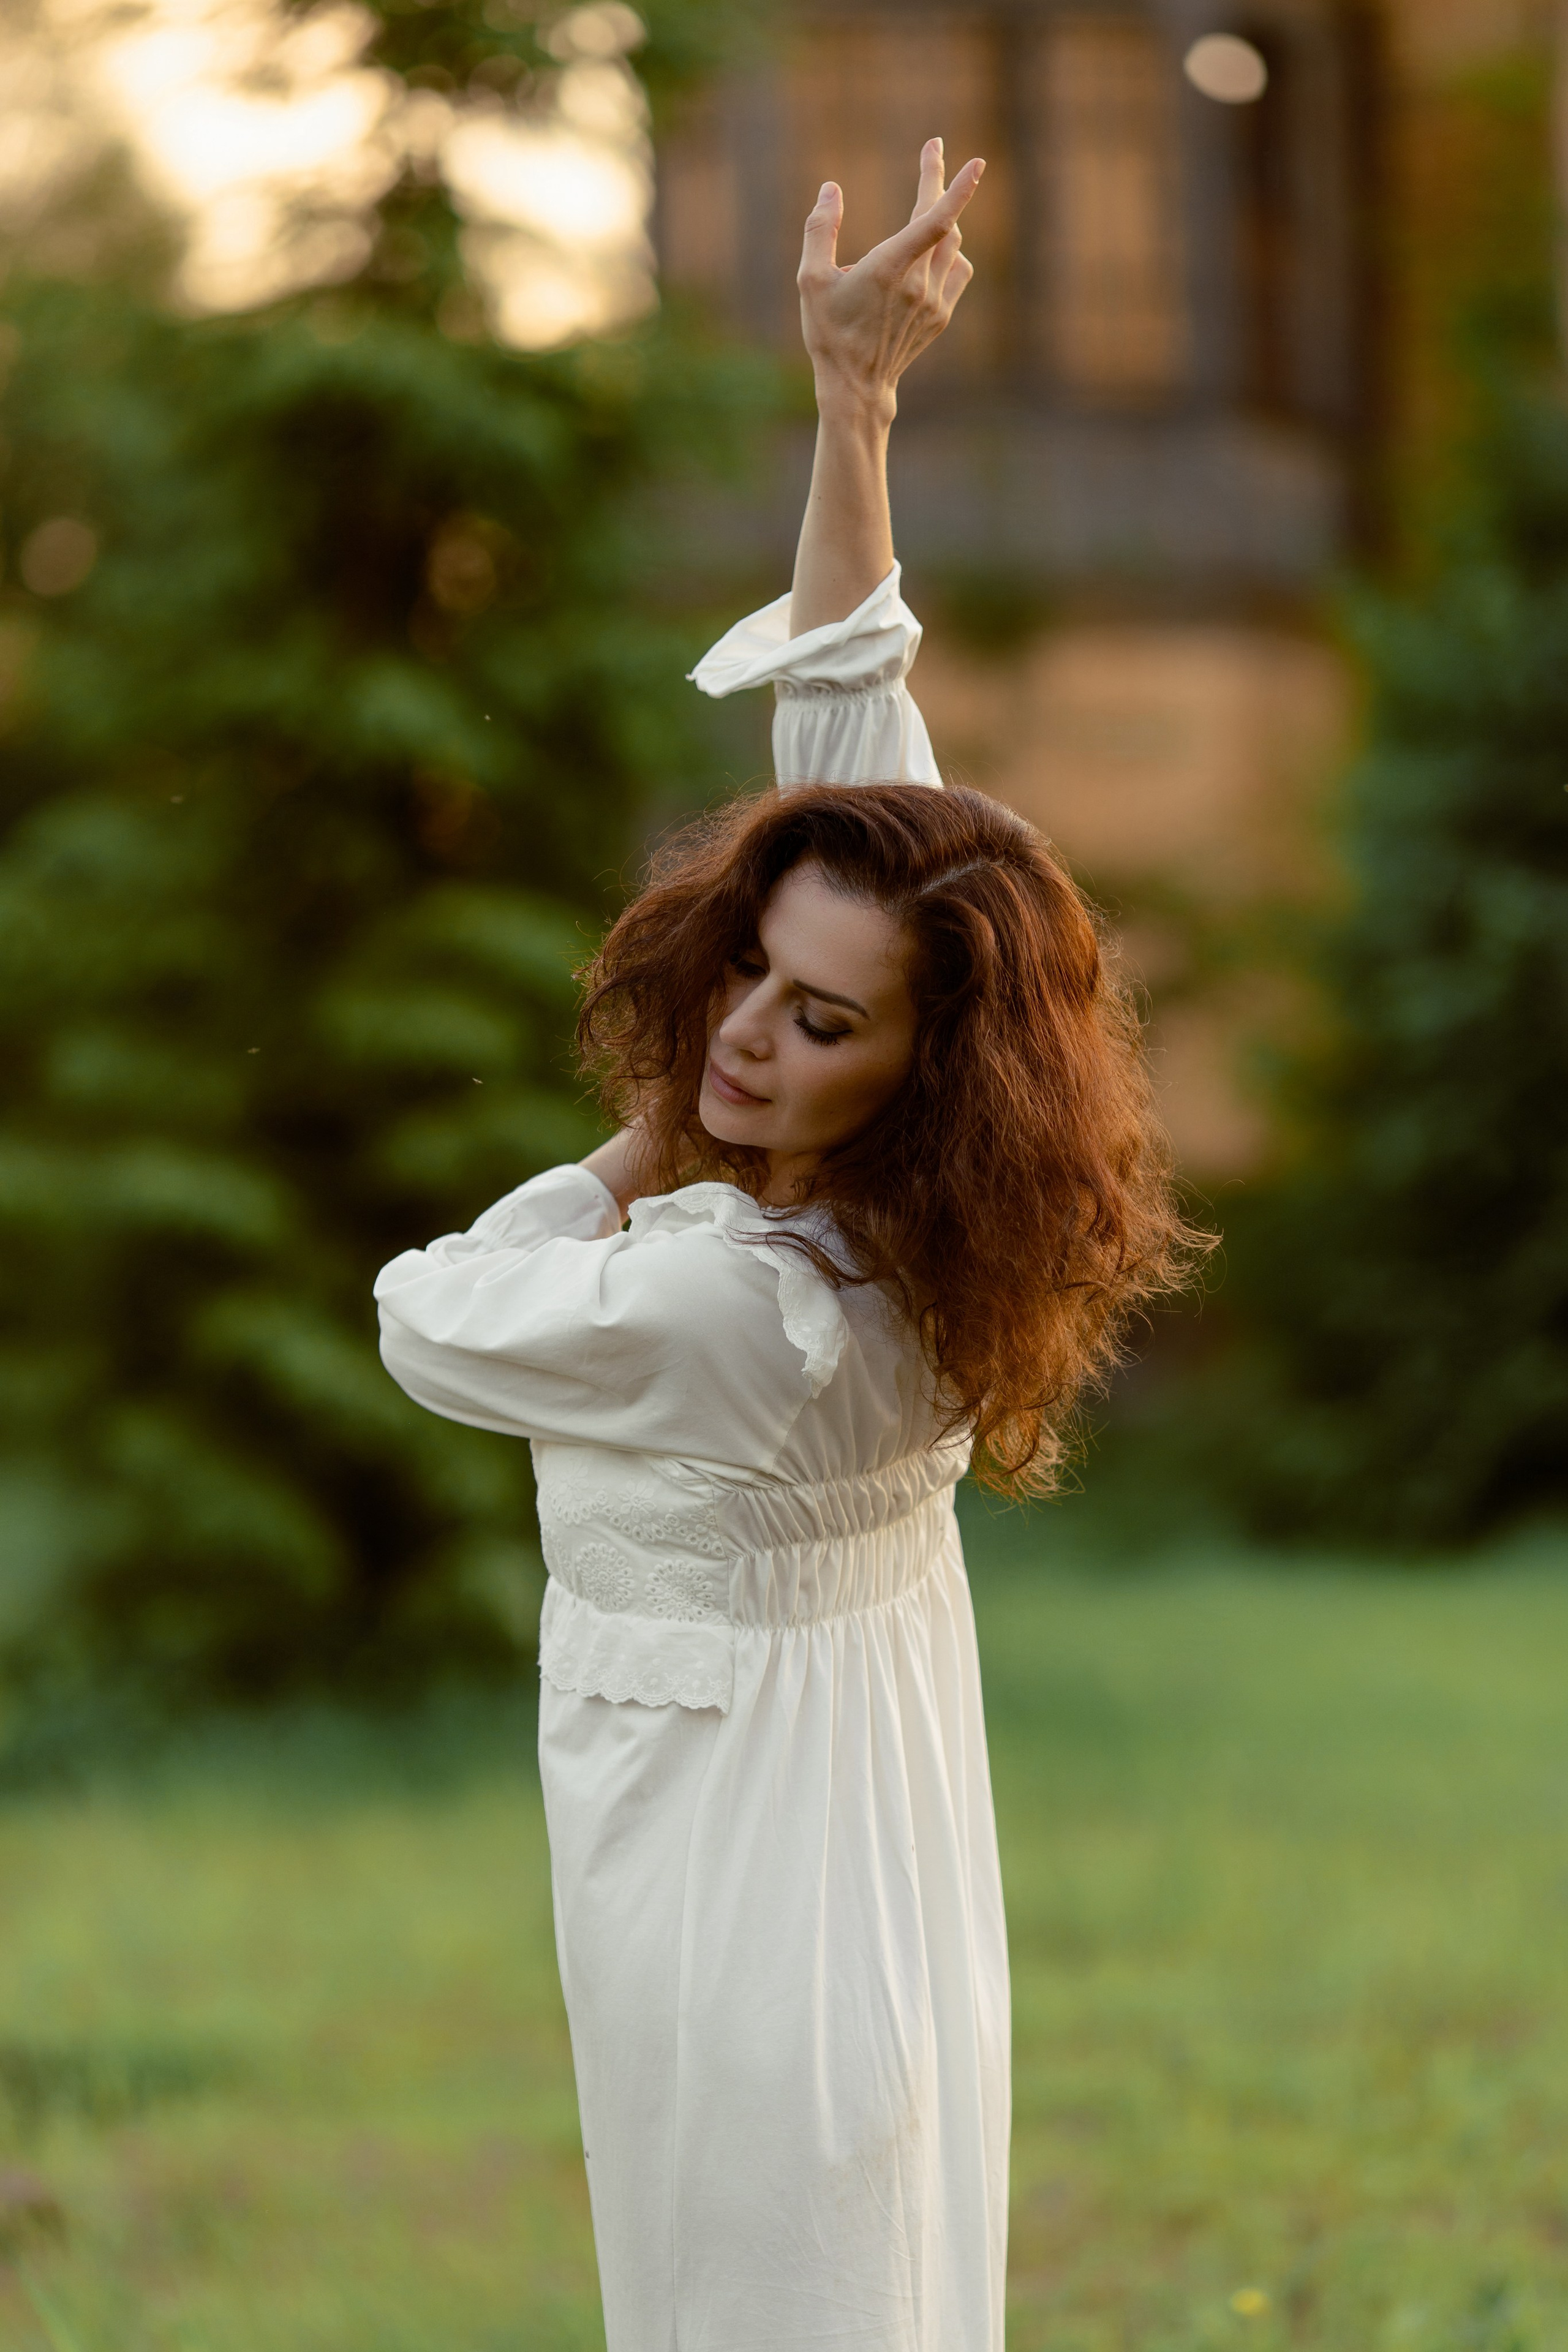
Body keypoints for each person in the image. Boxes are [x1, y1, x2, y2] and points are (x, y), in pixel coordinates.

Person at [376, 140, 1199, 2352]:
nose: (745, 1027)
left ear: (923, 1069)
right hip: (864, 1790)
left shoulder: (732, 1300)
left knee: (754, 2279)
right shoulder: (932, 1227)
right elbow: (850, 714)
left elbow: (430, 1319)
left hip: (729, 1855)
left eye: (813, 1019)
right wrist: (857, 409)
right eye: (748, 962)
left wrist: (635, 1147)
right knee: (866, 2257)